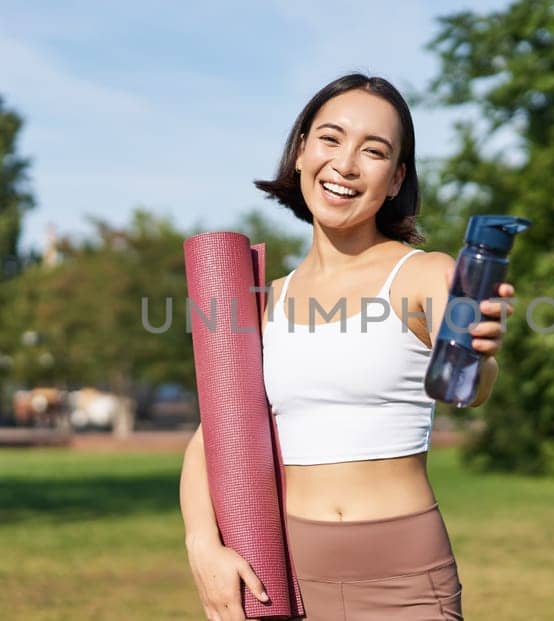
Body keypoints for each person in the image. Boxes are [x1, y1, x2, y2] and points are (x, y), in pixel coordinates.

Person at [181, 74, 511, 620]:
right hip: (283, 579)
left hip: (404, 583)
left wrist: (478, 351)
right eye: (330, 139)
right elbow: (212, 436)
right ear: (302, 151)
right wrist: (202, 545)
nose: (346, 164)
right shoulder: (264, 298)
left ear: (396, 176)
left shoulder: (424, 275)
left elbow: (469, 387)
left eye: (374, 150)